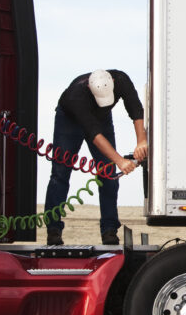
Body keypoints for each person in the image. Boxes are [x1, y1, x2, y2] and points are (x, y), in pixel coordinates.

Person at [44, 69, 147, 245]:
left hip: (102, 119)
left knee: (108, 175)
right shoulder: (76, 97)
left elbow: (136, 110)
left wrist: (141, 141)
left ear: (112, 82)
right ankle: (53, 230)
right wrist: (120, 161)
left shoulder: (121, 79)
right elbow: (94, 133)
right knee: (60, 174)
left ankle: (109, 231)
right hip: (69, 120)